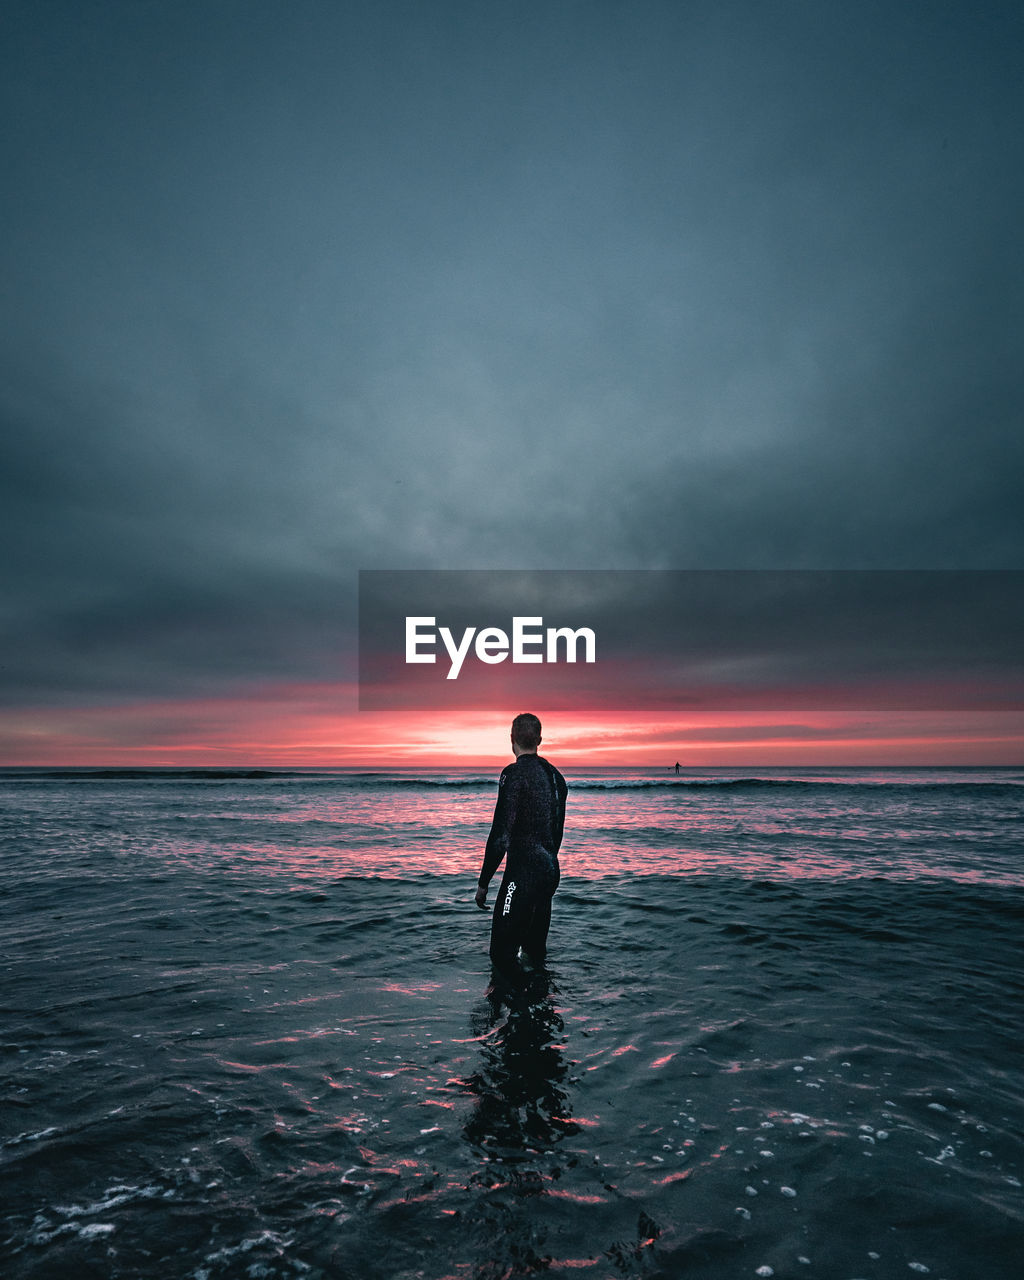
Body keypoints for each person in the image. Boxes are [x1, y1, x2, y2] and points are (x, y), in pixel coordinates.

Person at [475, 713, 568, 971]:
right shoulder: (556, 777)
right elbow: (556, 832)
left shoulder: (513, 774)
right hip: (549, 872)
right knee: (535, 953)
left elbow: (500, 835)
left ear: (512, 739)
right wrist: (546, 862)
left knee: (501, 955)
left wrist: (484, 883)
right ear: (539, 739)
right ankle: (541, 1007)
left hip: (522, 875)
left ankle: (507, 1007)